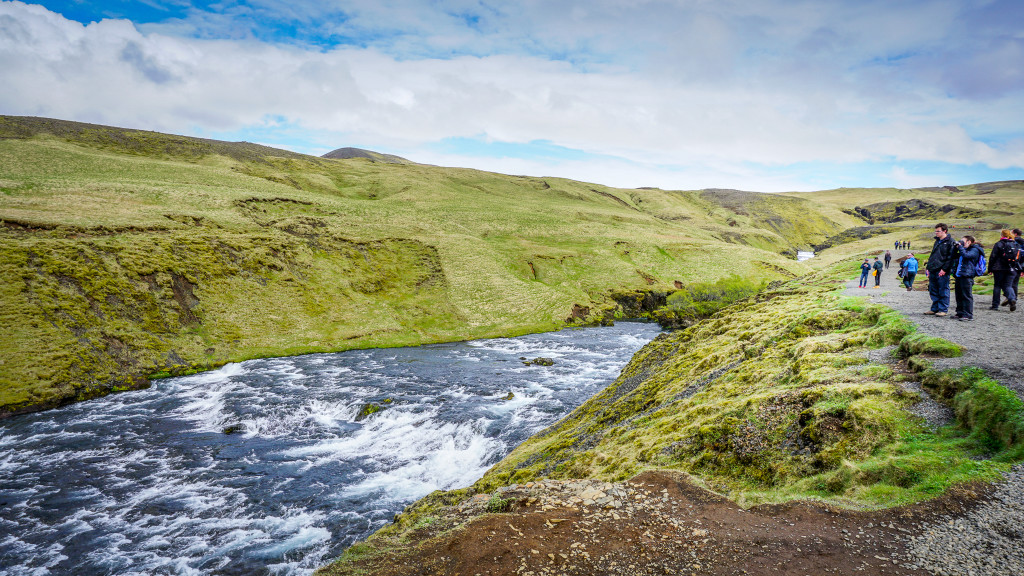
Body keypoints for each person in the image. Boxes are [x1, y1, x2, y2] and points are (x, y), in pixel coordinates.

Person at [925, 223, 956, 316]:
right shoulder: (937, 241)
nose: (936, 233)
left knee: (943, 289)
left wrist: (945, 269)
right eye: (935, 231)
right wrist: (928, 268)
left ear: (944, 231)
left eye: (938, 231)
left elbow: (951, 258)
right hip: (933, 268)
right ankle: (934, 308)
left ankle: (943, 309)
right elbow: (933, 255)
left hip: (942, 270)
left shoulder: (951, 242)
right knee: (933, 289)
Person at [951, 235, 983, 321]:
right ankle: (960, 312)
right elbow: (953, 255)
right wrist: (955, 247)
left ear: (969, 242)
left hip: (967, 275)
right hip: (959, 275)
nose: (961, 242)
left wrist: (960, 247)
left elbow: (967, 256)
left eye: (963, 241)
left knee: (966, 295)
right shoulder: (963, 249)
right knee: (959, 295)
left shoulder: (975, 249)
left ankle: (968, 314)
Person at [989, 229, 1019, 312]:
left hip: (999, 268)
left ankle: (995, 305)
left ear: (1002, 235)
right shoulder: (1014, 244)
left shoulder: (999, 244)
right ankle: (1012, 299)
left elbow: (993, 257)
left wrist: (990, 268)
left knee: (997, 285)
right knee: (1008, 285)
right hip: (1011, 268)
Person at [1007, 228, 1023, 307]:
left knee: (1008, 283)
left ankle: (1010, 298)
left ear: (1015, 234)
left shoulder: (1013, 242)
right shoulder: (1022, 242)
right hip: (1020, 266)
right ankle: (1014, 298)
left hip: (1012, 265)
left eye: (1011, 232)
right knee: (1015, 283)